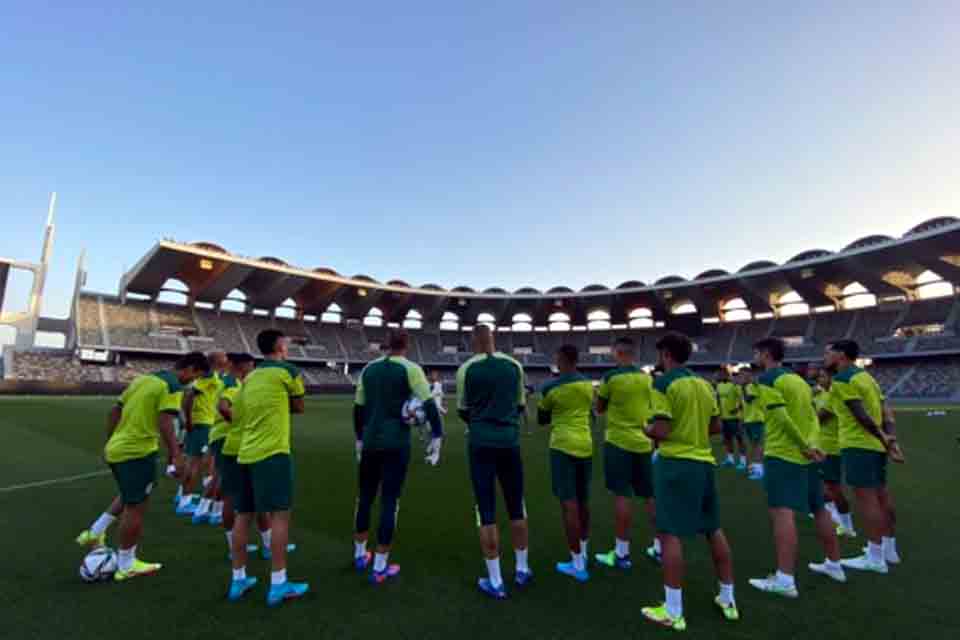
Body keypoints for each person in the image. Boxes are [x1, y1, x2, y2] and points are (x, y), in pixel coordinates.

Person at [75, 352, 210, 581]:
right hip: (137, 451)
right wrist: (175, 456)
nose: (194, 381)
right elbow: (165, 421)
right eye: (196, 375)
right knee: (136, 507)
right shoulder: (173, 385)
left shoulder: (142, 380)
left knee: (129, 495)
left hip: (118, 448)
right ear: (190, 368)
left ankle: (94, 532)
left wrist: (110, 441)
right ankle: (127, 564)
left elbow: (115, 411)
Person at [640, 333, 737, 632]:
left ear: (667, 354)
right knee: (713, 529)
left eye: (660, 354)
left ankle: (673, 610)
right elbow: (717, 426)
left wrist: (646, 429)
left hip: (675, 464)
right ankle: (728, 599)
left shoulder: (664, 383)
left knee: (669, 534)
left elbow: (662, 430)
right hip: (703, 462)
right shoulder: (705, 384)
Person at [748, 338, 845, 598]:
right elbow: (812, 416)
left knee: (782, 512)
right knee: (819, 508)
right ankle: (834, 564)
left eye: (757, 352)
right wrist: (813, 445)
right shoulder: (798, 381)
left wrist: (804, 445)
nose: (755, 357)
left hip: (784, 454)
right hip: (807, 454)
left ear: (766, 354)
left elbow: (780, 417)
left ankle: (785, 579)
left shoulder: (769, 379)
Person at [352, 329, 444, 583]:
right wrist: (437, 436)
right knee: (390, 501)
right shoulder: (411, 369)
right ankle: (380, 566)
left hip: (370, 441)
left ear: (386, 344)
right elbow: (428, 405)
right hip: (396, 444)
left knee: (365, 498)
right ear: (407, 345)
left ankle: (360, 555)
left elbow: (358, 409)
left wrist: (359, 439)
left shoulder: (369, 369)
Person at [229, 330, 308, 607]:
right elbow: (299, 406)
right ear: (278, 346)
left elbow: (235, 413)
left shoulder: (250, 377)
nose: (288, 346)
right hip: (273, 453)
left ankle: (238, 579)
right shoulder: (287, 370)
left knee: (243, 516)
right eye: (285, 342)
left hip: (245, 452)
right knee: (280, 517)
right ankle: (278, 583)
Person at [456, 324, 530, 600]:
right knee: (516, 506)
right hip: (509, 443)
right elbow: (520, 406)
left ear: (474, 340)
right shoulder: (514, 366)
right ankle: (522, 570)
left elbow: (463, 410)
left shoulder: (467, 369)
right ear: (493, 339)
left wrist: (480, 423)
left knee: (486, 510)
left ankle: (496, 581)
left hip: (480, 444)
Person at [824, 340, 904, 573]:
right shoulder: (867, 377)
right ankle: (890, 550)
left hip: (858, 445)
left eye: (827, 353)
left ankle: (875, 556)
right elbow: (885, 410)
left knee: (867, 500)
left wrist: (882, 436)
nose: (825, 358)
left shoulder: (842, 379)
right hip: (875, 446)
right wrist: (890, 440)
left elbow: (860, 415)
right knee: (881, 496)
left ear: (840, 355)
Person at [592, 337, 660, 570]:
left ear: (618, 353)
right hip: (644, 441)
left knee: (622, 495)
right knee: (650, 495)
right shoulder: (647, 378)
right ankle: (659, 547)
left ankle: (622, 554)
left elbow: (599, 409)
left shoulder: (611, 377)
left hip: (619, 442)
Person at [538, 344, 594, 582]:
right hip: (585, 445)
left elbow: (542, 418)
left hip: (562, 446)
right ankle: (584, 550)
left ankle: (577, 563)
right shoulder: (587, 385)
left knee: (568, 505)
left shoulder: (551, 387)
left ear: (562, 359)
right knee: (583, 501)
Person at [216, 352, 273, 564]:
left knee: (236, 497)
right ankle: (263, 546)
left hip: (233, 444)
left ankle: (241, 547)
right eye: (251, 365)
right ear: (245, 365)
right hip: (240, 445)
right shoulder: (235, 383)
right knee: (251, 499)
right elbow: (223, 407)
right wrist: (239, 423)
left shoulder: (232, 381)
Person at [176, 352, 228, 516]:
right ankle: (185, 501)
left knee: (197, 461)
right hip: (202, 423)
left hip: (202, 422)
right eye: (224, 358)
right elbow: (189, 396)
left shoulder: (210, 377)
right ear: (217, 361)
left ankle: (183, 496)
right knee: (195, 463)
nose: (226, 360)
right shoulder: (208, 378)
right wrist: (188, 419)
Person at [814, 369, 857, 537]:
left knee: (834, 488)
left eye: (823, 376)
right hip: (823, 446)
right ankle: (834, 516)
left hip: (830, 447)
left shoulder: (832, 396)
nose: (819, 379)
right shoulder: (823, 394)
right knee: (825, 485)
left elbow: (818, 418)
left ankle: (847, 526)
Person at [738, 367, 766, 480]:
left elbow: (748, 399)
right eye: (740, 375)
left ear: (749, 376)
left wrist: (744, 385)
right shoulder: (746, 387)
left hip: (756, 419)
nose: (740, 378)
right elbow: (745, 405)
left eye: (743, 375)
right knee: (753, 445)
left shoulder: (751, 386)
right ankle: (755, 467)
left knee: (758, 444)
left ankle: (759, 470)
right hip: (749, 420)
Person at [716, 369, 746, 470]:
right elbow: (719, 401)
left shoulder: (735, 386)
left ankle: (743, 461)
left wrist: (736, 409)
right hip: (724, 418)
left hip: (735, 418)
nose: (720, 375)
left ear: (728, 375)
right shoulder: (719, 386)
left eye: (722, 374)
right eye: (720, 374)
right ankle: (730, 459)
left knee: (739, 439)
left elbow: (743, 401)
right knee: (727, 440)